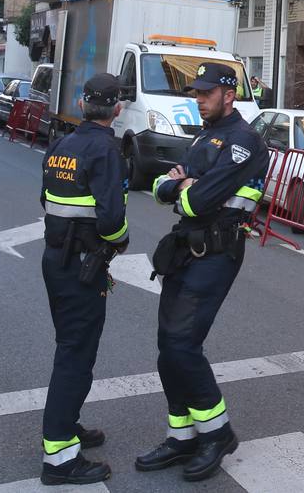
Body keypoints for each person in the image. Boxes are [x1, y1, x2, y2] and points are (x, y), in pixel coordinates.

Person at [136, 63, 270, 482]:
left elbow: (196, 202)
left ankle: (217, 433)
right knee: (167, 347)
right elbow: (160, 188)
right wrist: (181, 185)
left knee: (182, 344)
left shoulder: (244, 142)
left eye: (206, 93)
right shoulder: (205, 135)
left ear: (229, 95)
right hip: (185, 247)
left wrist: (184, 187)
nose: (198, 99)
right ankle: (183, 437)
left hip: (216, 253)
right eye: (196, 92)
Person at [38, 73, 129, 486]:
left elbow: (47, 199)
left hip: (56, 259)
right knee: (76, 356)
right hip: (84, 265)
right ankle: (59, 457)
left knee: (68, 345)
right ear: (117, 109)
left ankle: (68, 426)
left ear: (80, 104)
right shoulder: (106, 150)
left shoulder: (63, 143)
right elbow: (112, 220)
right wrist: (120, 242)